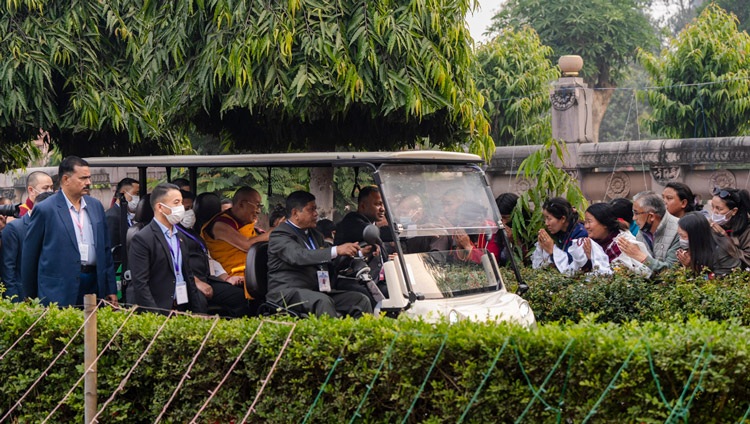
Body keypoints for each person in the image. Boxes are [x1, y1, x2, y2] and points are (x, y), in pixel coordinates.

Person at [22, 156, 119, 307]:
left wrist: (110, 287)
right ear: (66, 179)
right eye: (83, 178)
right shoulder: (46, 209)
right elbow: (30, 256)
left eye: (89, 178)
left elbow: (105, 250)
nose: (88, 182)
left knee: (91, 329)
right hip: (59, 288)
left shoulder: (95, 206)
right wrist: (30, 296)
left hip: (93, 282)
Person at [266, 191, 372, 318]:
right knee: (322, 301)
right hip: (288, 292)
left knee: (360, 300)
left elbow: (330, 258)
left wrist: (357, 252)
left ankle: (361, 337)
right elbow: (299, 256)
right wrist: (337, 250)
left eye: (315, 209)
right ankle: (330, 338)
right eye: (311, 210)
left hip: (315, 291)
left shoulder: (314, 234)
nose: (316, 214)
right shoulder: (280, 234)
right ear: (295, 213)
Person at [127, 183, 207, 314]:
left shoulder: (180, 236)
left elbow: (188, 276)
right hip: (158, 308)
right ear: (160, 207)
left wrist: (198, 312)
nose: (180, 208)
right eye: (176, 203)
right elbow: (141, 284)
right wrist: (156, 315)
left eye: (181, 203)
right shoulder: (143, 238)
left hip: (181, 305)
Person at [175, 198, 251, 317]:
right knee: (198, 301)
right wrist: (197, 283)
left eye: (190, 209)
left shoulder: (193, 232)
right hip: (187, 281)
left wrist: (226, 278)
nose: (189, 213)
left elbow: (209, 259)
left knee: (239, 296)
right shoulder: (172, 233)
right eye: (185, 209)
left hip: (207, 277)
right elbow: (173, 263)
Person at [201, 187, 270, 296]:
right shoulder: (220, 224)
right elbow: (246, 245)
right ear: (242, 204)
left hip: (250, 272)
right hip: (232, 277)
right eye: (257, 205)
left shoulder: (246, 224)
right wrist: (273, 233)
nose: (259, 210)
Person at [2, 192, 53, 301]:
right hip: (22, 296)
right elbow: (8, 270)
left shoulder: (54, 227)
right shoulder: (14, 228)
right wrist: (13, 300)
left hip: (48, 294)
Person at [581, 203, 651, 276]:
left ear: (604, 223)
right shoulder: (591, 244)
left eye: (589, 221)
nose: (586, 226)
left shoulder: (623, 243)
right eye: (585, 222)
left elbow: (624, 276)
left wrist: (595, 258)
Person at [618, 191, 680, 274]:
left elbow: (671, 272)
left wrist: (640, 256)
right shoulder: (642, 231)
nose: (634, 218)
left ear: (651, 216)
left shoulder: (679, 231)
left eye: (636, 213)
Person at [531, 197, 588, 273]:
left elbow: (573, 268)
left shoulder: (580, 234)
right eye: (545, 219)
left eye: (549, 219)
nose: (546, 223)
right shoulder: (558, 233)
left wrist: (552, 250)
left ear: (563, 219)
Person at [677, 211, 740, 277]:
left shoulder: (721, 251)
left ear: (695, 236)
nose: (681, 239)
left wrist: (691, 267)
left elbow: (719, 282)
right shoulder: (690, 247)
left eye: (683, 236)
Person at [709, 187, 750, 268]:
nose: (714, 212)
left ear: (734, 211)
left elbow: (747, 260)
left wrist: (725, 239)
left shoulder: (746, 230)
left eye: (719, 209)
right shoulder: (711, 224)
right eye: (712, 207)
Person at [488, 193, 529, 266]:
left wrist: (515, 241)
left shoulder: (529, 229)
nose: (502, 222)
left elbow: (529, 260)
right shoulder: (497, 228)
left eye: (505, 218)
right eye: (499, 218)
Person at [105, 177, 140, 264]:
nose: (138, 198)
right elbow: (113, 248)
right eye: (136, 194)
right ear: (124, 193)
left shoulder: (128, 214)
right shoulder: (112, 216)